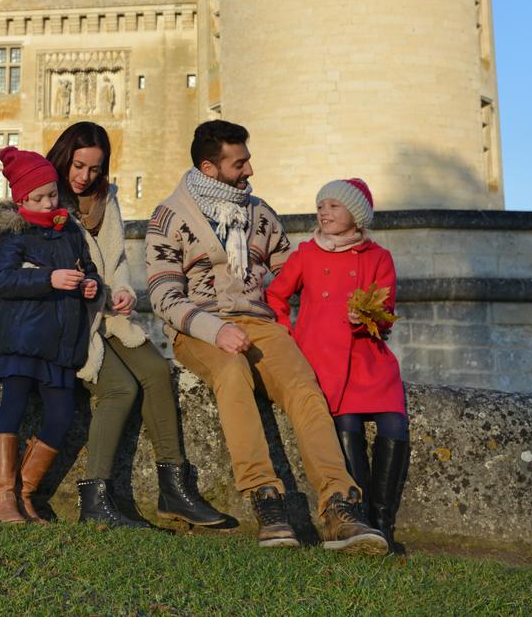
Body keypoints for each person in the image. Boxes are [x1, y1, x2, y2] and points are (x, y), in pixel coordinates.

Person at [144, 120, 387, 553]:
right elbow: (164, 295)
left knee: (303, 387)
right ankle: (266, 499)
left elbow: (292, 272)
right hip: (200, 326)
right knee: (233, 373)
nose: (250, 170)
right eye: (240, 163)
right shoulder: (169, 217)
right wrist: (215, 330)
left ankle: (338, 506)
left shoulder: (260, 213)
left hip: (261, 322)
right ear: (209, 167)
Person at [47, 121, 236, 531]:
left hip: (106, 316)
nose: (85, 177)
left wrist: (123, 292)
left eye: (95, 169)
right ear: (65, 159)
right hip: (66, 322)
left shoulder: (106, 200)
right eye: (78, 166)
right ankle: (94, 499)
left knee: (155, 371)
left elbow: (116, 264)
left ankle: (174, 490)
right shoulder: (46, 198)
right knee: (120, 387)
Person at [266, 178, 410, 552]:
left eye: (333, 206)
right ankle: (356, 516)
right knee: (346, 424)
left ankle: (382, 521)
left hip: (369, 358)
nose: (323, 212)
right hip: (322, 358)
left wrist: (367, 317)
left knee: (394, 422)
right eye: (321, 205)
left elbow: (387, 311)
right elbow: (275, 296)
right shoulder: (306, 254)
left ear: (356, 215)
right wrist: (288, 338)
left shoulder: (378, 257)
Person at [0, 145, 101, 523]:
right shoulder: (11, 233)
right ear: (21, 199)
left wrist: (91, 285)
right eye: (40, 197)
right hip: (24, 336)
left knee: (61, 416)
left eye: (52, 193)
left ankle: (25, 493)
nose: (50, 202)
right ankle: (2, 499)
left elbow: (89, 267)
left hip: (61, 341)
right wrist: (48, 278)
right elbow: (1, 280)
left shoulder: (68, 231)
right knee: (12, 408)